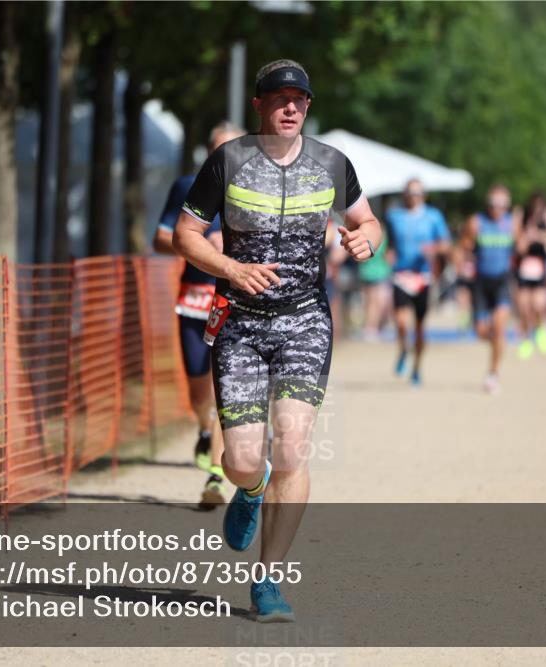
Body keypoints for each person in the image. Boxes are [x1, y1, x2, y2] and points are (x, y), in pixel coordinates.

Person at [173, 59, 381, 622]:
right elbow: (184, 235)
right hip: (240, 320)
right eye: (279, 97)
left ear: (308, 108)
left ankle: (268, 581)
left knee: (293, 445)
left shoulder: (333, 164)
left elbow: (369, 222)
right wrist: (231, 269)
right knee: (241, 459)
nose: (290, 107)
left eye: (299, 99)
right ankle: (251, 484)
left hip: (305, 320)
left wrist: (367, 241)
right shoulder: (229, 160)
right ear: (259, 105)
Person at [153, 121, 245, 509]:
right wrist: (198, 246)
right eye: (217, 150)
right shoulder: (187, 187)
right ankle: (205, 430)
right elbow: (160, 238)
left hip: (234, 299)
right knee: (196, 382)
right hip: (193, 298)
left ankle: (215, 476)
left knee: (223, 381)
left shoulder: (255, 193)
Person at [384, 179, 451, 385]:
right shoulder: (394, 216)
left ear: (424, 195)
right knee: (402, 322)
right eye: (410, 193)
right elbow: (389, 240)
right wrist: (389, 252)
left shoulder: (433, 216)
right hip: (402, 275)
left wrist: (434, 249)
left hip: (423, 276)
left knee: (420, 327)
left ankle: (417, 368)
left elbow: (446, 244)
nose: (414, 197)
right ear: (405, 194)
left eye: (418, 193)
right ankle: (404, 348)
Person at [461, 185, 517, 394]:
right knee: (481, 331)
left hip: (502, 280)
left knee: (500, 327)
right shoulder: (476, 222)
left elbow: (520, 248)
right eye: (493, 204)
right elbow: (464, 245)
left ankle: (493, 373)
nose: (497, 208)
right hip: (481, 282)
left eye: (503, 205)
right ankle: (496, 344)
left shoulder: (512, 224)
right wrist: (464, 258)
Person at [513, 191, 546, 359]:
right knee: (524, 306)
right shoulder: (521, 215)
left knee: (539, 304)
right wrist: (527, 236)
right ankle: (526, 338)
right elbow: (518, 245)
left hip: (541, 266)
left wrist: (540, 236)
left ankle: (540, 329)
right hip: (524, 267)